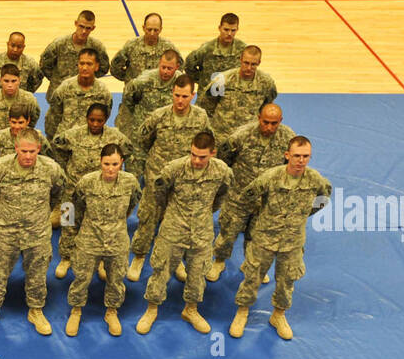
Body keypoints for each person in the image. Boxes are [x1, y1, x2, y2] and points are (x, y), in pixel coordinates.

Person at [229, 136, 331, 340]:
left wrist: (303, 215)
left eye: (305, 156)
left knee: (287, 281)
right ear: (287, 155)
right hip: (265, 237)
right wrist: (260, 214)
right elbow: (247, 196)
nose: (301, 160)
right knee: (252, 276)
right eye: (296, 156)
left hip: (292, 241)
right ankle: (242, 312)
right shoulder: (271, 177)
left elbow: (324, 198)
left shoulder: (315, 180)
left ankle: (279, 315)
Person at [135, 131, 232, 335]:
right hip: (173, 228)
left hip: (202, 230)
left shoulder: (222, 171)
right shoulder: (175, 169)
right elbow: (159, 193)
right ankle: (152, 309)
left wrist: (205, 212)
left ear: (212, 153)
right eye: (193, 154)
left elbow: (222, 195)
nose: (196, 160)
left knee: (198, 273)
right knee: (161, 269)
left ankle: (191, 310)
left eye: (202, 156)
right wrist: (171, 212)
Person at [0, 129, 67, 336]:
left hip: (37, 231)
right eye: (24, 151)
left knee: (37, 274)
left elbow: (58, 193)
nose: (28, 156)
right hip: (5, 231)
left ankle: (35, 310)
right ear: (16, 148)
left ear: (39, 149)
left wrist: (44, 214)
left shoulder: (51, 169)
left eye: (32, 151)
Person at [129, 75, 209, 280]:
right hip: (158, 174)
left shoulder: (201, 118)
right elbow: (143, 140)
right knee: (148, 216)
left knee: (179, 220)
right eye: (176, 95)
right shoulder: (159, 116)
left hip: (185, 178)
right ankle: (139, 255)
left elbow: (204, 144)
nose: (180, 100)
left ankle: (176, 260)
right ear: (171, 93)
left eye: (184, 96)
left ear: (193, 95)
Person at [208, 103, 294, 281]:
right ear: (258, 118)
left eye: (274, 123)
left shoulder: (288, 138)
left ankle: (251, 263)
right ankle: (219, 261)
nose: (269, 127)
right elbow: (224, 160)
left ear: (281, 121)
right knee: (228, 232)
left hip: (265, 200)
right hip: (238, 196)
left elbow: (289, 168)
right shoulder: (241, 136)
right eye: (265, 122)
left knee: (257, 235)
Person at [65, 144, 141, 337]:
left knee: (116, 279)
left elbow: (133, 202)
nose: (110, 168)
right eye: (106, 163)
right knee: (81, 277)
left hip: (117, 239)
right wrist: (75, 231)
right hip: (90, 237)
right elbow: (74, 205)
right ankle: (76, 310)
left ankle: (112, 311)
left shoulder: (130, 182)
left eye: (115, 164)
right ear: (100, 162)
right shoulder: (87, 182)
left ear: (121, 162)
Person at [52, 104, 131, 278]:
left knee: (102, 225)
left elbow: (128, 150)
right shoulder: (74, 134)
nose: (95, 124)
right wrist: (67, 165)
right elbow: (57, 145)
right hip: (72, 188)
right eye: (92, 120)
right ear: (86, 119)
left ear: (106, 120)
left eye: (99, 120)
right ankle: (66, 257)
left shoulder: (115, 137)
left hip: (100, 192)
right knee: (68, 221)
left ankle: (102, 261)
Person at [199, 45, 277, 138]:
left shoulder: (266, 83)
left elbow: (266, 107)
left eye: (253, 64)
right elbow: (206, 106)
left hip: (248, 137)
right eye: (246, 63)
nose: (249, 68)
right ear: (240, 59)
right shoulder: (222, 80)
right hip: (221, 136)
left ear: (259, 63)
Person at [39, 11, 109, 103]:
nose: (84, 31)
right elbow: (44, 65)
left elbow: (103, 68)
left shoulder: (96, 47)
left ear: (93, 28)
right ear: (76, 23)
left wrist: (88, 79)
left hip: (86, 97)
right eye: (81, 26)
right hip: (59, 96)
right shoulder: (59, 44)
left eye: (88, 28)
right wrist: (57, 80)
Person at [43, 48, 111, 140]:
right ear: (77, 65)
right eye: (82, 63)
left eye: (89, 64)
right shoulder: (64, 88)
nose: (84, 68)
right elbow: (53, 117)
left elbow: (105, 116)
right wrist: (52, 139)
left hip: (91, 142)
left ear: (97, 66)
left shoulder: (103, 92)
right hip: (66, 140)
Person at [116, 49, 181, 137]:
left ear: (177, 67)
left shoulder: (180, 82)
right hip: (143, 129)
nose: (165, 71)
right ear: (159, 64)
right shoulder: (144, 80)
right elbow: (128, 97)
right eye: (163, 67)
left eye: (169, 68)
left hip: (167, 131)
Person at [184, 12, 245, 95]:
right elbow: (189, 64)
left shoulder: (242, 49)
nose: (229, 34)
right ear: (219, 28)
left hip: (231, 97)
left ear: (237, 29)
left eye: (233, 30)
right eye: (226, 30)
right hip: (207, 97)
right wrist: (202, 80)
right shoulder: (207, 48)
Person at [0, 63, 41, 135]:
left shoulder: (29, 99)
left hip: (21, 142)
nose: (10, 85)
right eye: (6, 81)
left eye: (14, 81)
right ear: (1, 80)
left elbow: (32, 121)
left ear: (19, 80)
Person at [110, 12, 176, 84]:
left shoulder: (168, 47)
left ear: (160, 29)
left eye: (156, 30)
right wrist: (129, 80)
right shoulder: (131, 46)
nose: (152, 33)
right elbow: (115, 67)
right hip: (134, 93)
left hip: (158, 93)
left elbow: (179, 67)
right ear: (143, 28)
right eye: (149, 29)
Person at [0, 31, 43, 95]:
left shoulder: (30, 64)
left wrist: (25, 95)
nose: (15, 49)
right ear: (7, 44)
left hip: (20, 102)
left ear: (23, 47)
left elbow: (36, 81)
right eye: (12, 45)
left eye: (19, 47)